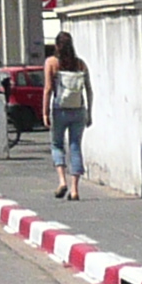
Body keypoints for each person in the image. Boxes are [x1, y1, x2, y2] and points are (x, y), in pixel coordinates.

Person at [43, 32, 92, 200]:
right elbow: (89, 90)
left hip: (60, 109)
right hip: (79, 109)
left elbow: (48, 89)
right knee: (75, 146)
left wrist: (45, 112)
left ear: (57, 46)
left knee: (57, 145)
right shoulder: (80, 64)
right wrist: (89, 112)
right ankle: (75, 189)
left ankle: (62, 181)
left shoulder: (51, 63)